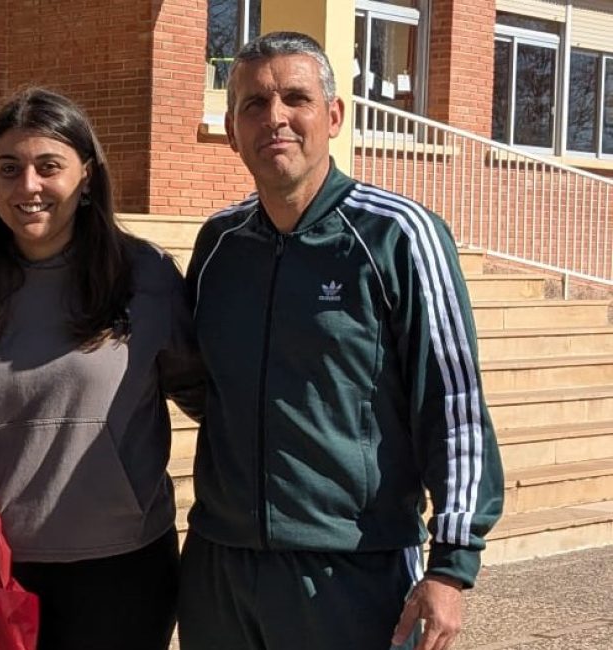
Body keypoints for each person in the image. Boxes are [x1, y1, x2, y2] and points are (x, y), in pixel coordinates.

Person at [177, 32, 505, 650]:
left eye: (295, 98)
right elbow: (206, 380)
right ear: (230, 128)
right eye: (254, 104)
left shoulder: (399, 236)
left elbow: (453, 407)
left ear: (332, 116)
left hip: (354, 569)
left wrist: (451, 565)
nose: (274, 117)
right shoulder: (218, 243)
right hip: (221, 565)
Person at [0, 88, 205, 650]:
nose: (28, 187)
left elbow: (204, 392)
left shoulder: (147, 277)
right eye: (9, 169)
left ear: (86, 176)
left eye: (49, 167)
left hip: (122, 570)